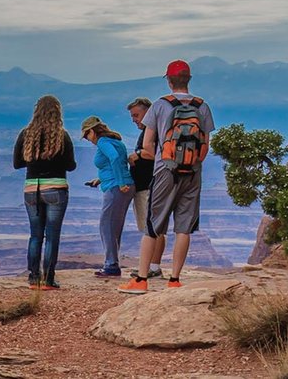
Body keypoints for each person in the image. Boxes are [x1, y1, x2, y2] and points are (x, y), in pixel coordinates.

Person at [119, 60, 215, 294]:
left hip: (165, 171)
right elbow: (205, 146)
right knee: (184, 227)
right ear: (189, 79)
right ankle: (174, 279)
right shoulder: (203, 106)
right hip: (193, 172)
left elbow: (149, 142)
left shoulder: (161, 106)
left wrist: (161, 157)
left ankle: (141, 280)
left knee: (153, 224)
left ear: (169, 80)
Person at [14, 95, 76, 290]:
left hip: (32, 189)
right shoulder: (61, 135)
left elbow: (17, 163)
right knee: (52, 235)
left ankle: (33, 278)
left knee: (35, 235)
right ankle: (48, 279)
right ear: (57, 112)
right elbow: (71, 165)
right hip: (56, 188)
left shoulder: (26, 134)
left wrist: (34, 160)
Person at [83, 116, 135, 278]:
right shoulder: (115, 141)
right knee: (114, 227)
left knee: (106, 225)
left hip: (116, 188)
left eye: (86, 135)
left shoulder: (103, 142)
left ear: (92, 131)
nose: (86, 139)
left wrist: (119, 182)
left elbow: (114, 158)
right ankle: (112, 263)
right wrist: (99, 179)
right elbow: (117, 163)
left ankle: (111, 265)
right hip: (122, 185)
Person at [126, 97, 165, 278]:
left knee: (150, 229)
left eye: (136, 115)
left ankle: (151, 268)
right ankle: (154, 266)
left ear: (147, 112)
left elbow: (155, 153)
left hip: (147, 187)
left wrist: (138, 154)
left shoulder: (153, 131)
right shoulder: (153, 129)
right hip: (152, 185)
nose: (134, 119)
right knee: (156, 228)